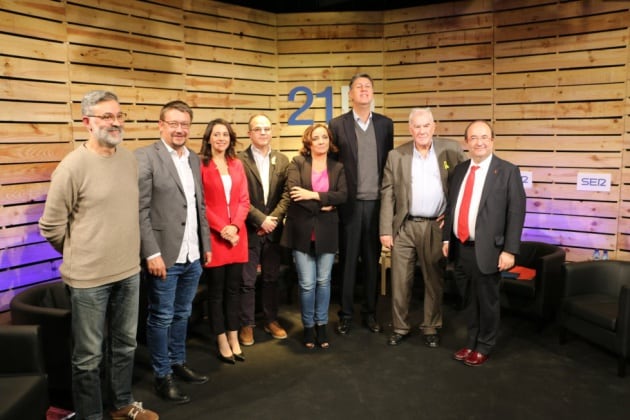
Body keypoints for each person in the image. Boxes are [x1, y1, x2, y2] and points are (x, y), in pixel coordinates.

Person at [39, 90, 158, 420]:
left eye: (119, 116)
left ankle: (122, 404)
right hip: (88, 280)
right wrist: (79, 253)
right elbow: (50, 226)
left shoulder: (129, 159)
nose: (115, 122)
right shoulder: (72, 167)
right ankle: (91, 416)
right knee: (88, 357)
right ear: (87, 122)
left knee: (125, 345)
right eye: (107, 116)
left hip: (128, 273)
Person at [136, 100, 211, 404]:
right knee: (161, 317)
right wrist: (151, 253)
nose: (180, 129)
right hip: (163, 255)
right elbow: (139, 211)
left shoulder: (193, 158)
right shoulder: (145, 157)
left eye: (185, 124)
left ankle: (178, 362)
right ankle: (162, 375)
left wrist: (205, 245)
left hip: (192, 253)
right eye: (174, 123)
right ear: (161, 125)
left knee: (183, 313)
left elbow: (198, 206)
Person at [380, 108, 467, 347]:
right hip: (405, 227)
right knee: (399, 280)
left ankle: (431, 326)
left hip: (435, 227)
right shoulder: (396, 155)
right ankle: (400, 326)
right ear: (410, 129)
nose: (421, 131)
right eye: (416, 126)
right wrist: (385, 229)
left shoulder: (452, 150)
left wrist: (451, 217)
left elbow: (463, 185)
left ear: (434, 127)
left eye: (426, 126)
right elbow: (387, 194)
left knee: (433, 279)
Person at [442, 120, 526, 366]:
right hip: (461, 248)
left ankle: (485, 345)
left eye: (484, 137)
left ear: (492, 140)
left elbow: (516, 213)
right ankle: (471, 342)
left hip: (489, 250)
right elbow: (452, 207)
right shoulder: (460, 170)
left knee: (487, 302)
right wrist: (447, 237)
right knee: (468, 301)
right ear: (466, 142)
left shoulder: (508, 171)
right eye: (474, 138)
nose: (479, 142)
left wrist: (510, 250)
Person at [329, 73, 394, 335]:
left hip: (376, 205)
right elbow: (333, 166)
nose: (364, 90)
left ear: (373, 94)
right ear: (350, 95)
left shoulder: (385, 124)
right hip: (350, 205)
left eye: (368, 86)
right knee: (347, 262)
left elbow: (388, 165)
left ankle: (370, 313)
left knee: (371, 262)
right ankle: (345, 314)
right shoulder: (336, 124)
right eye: (359, 87)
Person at [281, 123, 347, 349]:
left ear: (330, 141)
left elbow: (342, 196)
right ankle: (308, 326)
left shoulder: (337, 167)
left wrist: (314, 195)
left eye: (324, 137)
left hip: (327, 232)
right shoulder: (297, 163)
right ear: (308, 142)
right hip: (301, 231)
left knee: (323, 281)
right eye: (316, 138)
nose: (321, 141)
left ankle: (322, 324)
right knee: (307, 283)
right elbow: (294, 193)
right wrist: (324, 202)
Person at [237, 114, 290, 346]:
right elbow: (239, 197)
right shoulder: (239, 160)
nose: (263, 133)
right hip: (248, 230)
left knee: (271, 278)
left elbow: (287, 194)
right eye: (257, 129)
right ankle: (247, 324)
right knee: (247, 281)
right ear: (249, 133)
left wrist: (273, 220)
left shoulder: (282, 160)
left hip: (274, 230)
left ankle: (270, 320)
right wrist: (260, 220)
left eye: (266, 129)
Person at [200, 118, 250, 364]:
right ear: (209, 137)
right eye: (217, 134)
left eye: (225, 135)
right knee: (216, 293)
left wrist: (235, 226)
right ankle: (221, 340)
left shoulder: (237, 164)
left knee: (234, 291)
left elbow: (244, 200)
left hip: (237, 236)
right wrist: (223, 228)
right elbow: (202, 204)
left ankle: (234, 337)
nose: (221, 138)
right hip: (215, 237)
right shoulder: (200, 165)